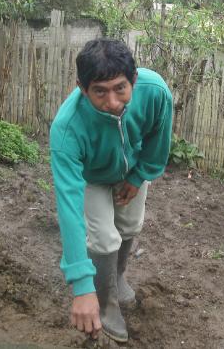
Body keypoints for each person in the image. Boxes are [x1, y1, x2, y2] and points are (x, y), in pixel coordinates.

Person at [50, 38, 173, 342]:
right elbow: (69, 208)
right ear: (82, 88)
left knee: (130, 225)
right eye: (100, 92)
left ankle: (116, 278)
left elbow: (158, 137)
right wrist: (82, 287)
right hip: (91, 177)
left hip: (131, 168)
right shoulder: (67, 130)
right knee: (103, 238)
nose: (113, 102)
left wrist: (138, 176)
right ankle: (105, 304)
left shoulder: (155, 91)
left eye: (120, 88)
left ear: (134, 80)